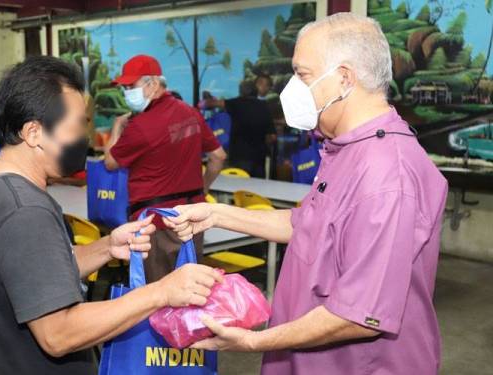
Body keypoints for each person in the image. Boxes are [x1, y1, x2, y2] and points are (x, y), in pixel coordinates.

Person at [164, 13, 447, 375]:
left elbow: (361, 315)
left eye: (302, 75)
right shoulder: (346, 149)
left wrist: (251, 342)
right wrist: (218, 214)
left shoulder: (387, 174)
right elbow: (308, 226)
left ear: (344, 78)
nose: (292, 87)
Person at [0, 56, 222, 375]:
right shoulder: (25, 210)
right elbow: (58, 333)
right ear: (33, 132)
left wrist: (105, 248)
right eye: (75, 127)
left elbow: (38, 275)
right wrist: (161, 291)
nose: (82, 140)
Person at [104, 54, 227, 282]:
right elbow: (218, 157)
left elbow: (110, 162)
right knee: (190, 291)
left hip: (156, 225)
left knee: (158, 298)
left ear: (153, 84)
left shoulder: (140, 126)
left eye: (131, 85)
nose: (127, 92)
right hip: (192, 220)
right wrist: (204, 189)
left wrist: (116, 127)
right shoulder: (190, 113)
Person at [203, 81, 276, 178]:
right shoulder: (264, 107)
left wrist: (208, 99)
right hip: (259, 159)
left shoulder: (235, 103)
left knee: (238, 189)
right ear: (255, 91)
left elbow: (210, 104)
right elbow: (272, 137)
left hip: (239, 157)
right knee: (257, 190)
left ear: (241, 92)